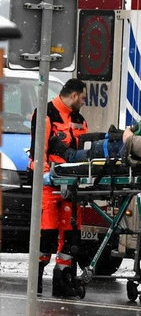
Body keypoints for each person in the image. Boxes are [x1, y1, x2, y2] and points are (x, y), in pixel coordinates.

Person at [29, 78, 88, 297]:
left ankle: (63, 281)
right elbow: (38, 150)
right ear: (73, 96)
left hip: (72, 186)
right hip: (50, 186)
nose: (83, 102)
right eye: (82, 98)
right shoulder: (46, 114)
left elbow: (83, 149)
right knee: (47, 236)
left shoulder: (79, 120)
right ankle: (35, 281)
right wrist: (44, 175)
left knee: (72, 237)